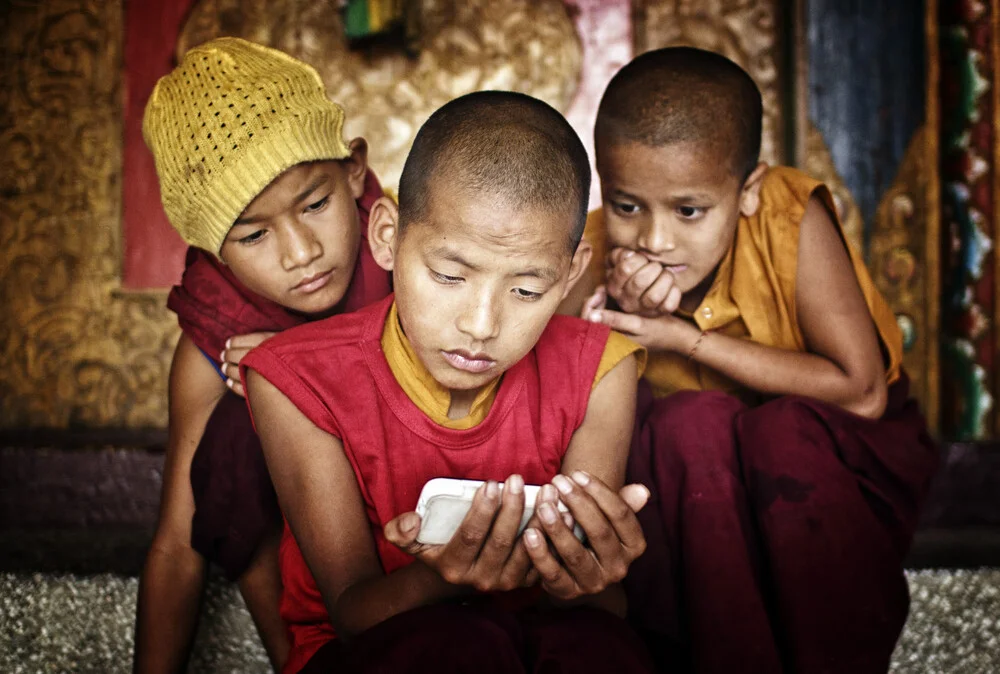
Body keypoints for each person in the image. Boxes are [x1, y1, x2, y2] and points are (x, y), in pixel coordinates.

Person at [241, 91, 655, 674]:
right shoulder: (298, 380)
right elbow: (352, 611)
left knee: (601, 650)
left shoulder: (600, 369)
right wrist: (441, 576)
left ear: (571, 275)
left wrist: (586, 574)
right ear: (387, 236)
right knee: (460, 645)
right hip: (377, 650)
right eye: (448, 275)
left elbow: (597, 608)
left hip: (537, 640)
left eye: (527, 290)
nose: (481, 326)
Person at [570, 46, 939, 673]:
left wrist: (681, 337)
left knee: (783, 432)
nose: (655, 240)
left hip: (819, 472)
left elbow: (862, 393)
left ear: (748, 190)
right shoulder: (595, 249)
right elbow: (554, 409)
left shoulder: (787, 216)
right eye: (629, 205)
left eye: (689, 211)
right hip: (697, 501)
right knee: (686, 424)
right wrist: (603, 328)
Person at [134, 37, 391, 673]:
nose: (301, 252)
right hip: (307, 593)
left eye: (316, 204)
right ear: (213, 252)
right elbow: (177, 544)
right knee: (233, 436)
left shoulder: (411, 254)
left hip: (423, 545)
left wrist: (302, 366)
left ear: (354, 170)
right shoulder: (218, 335)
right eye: (253, 235)